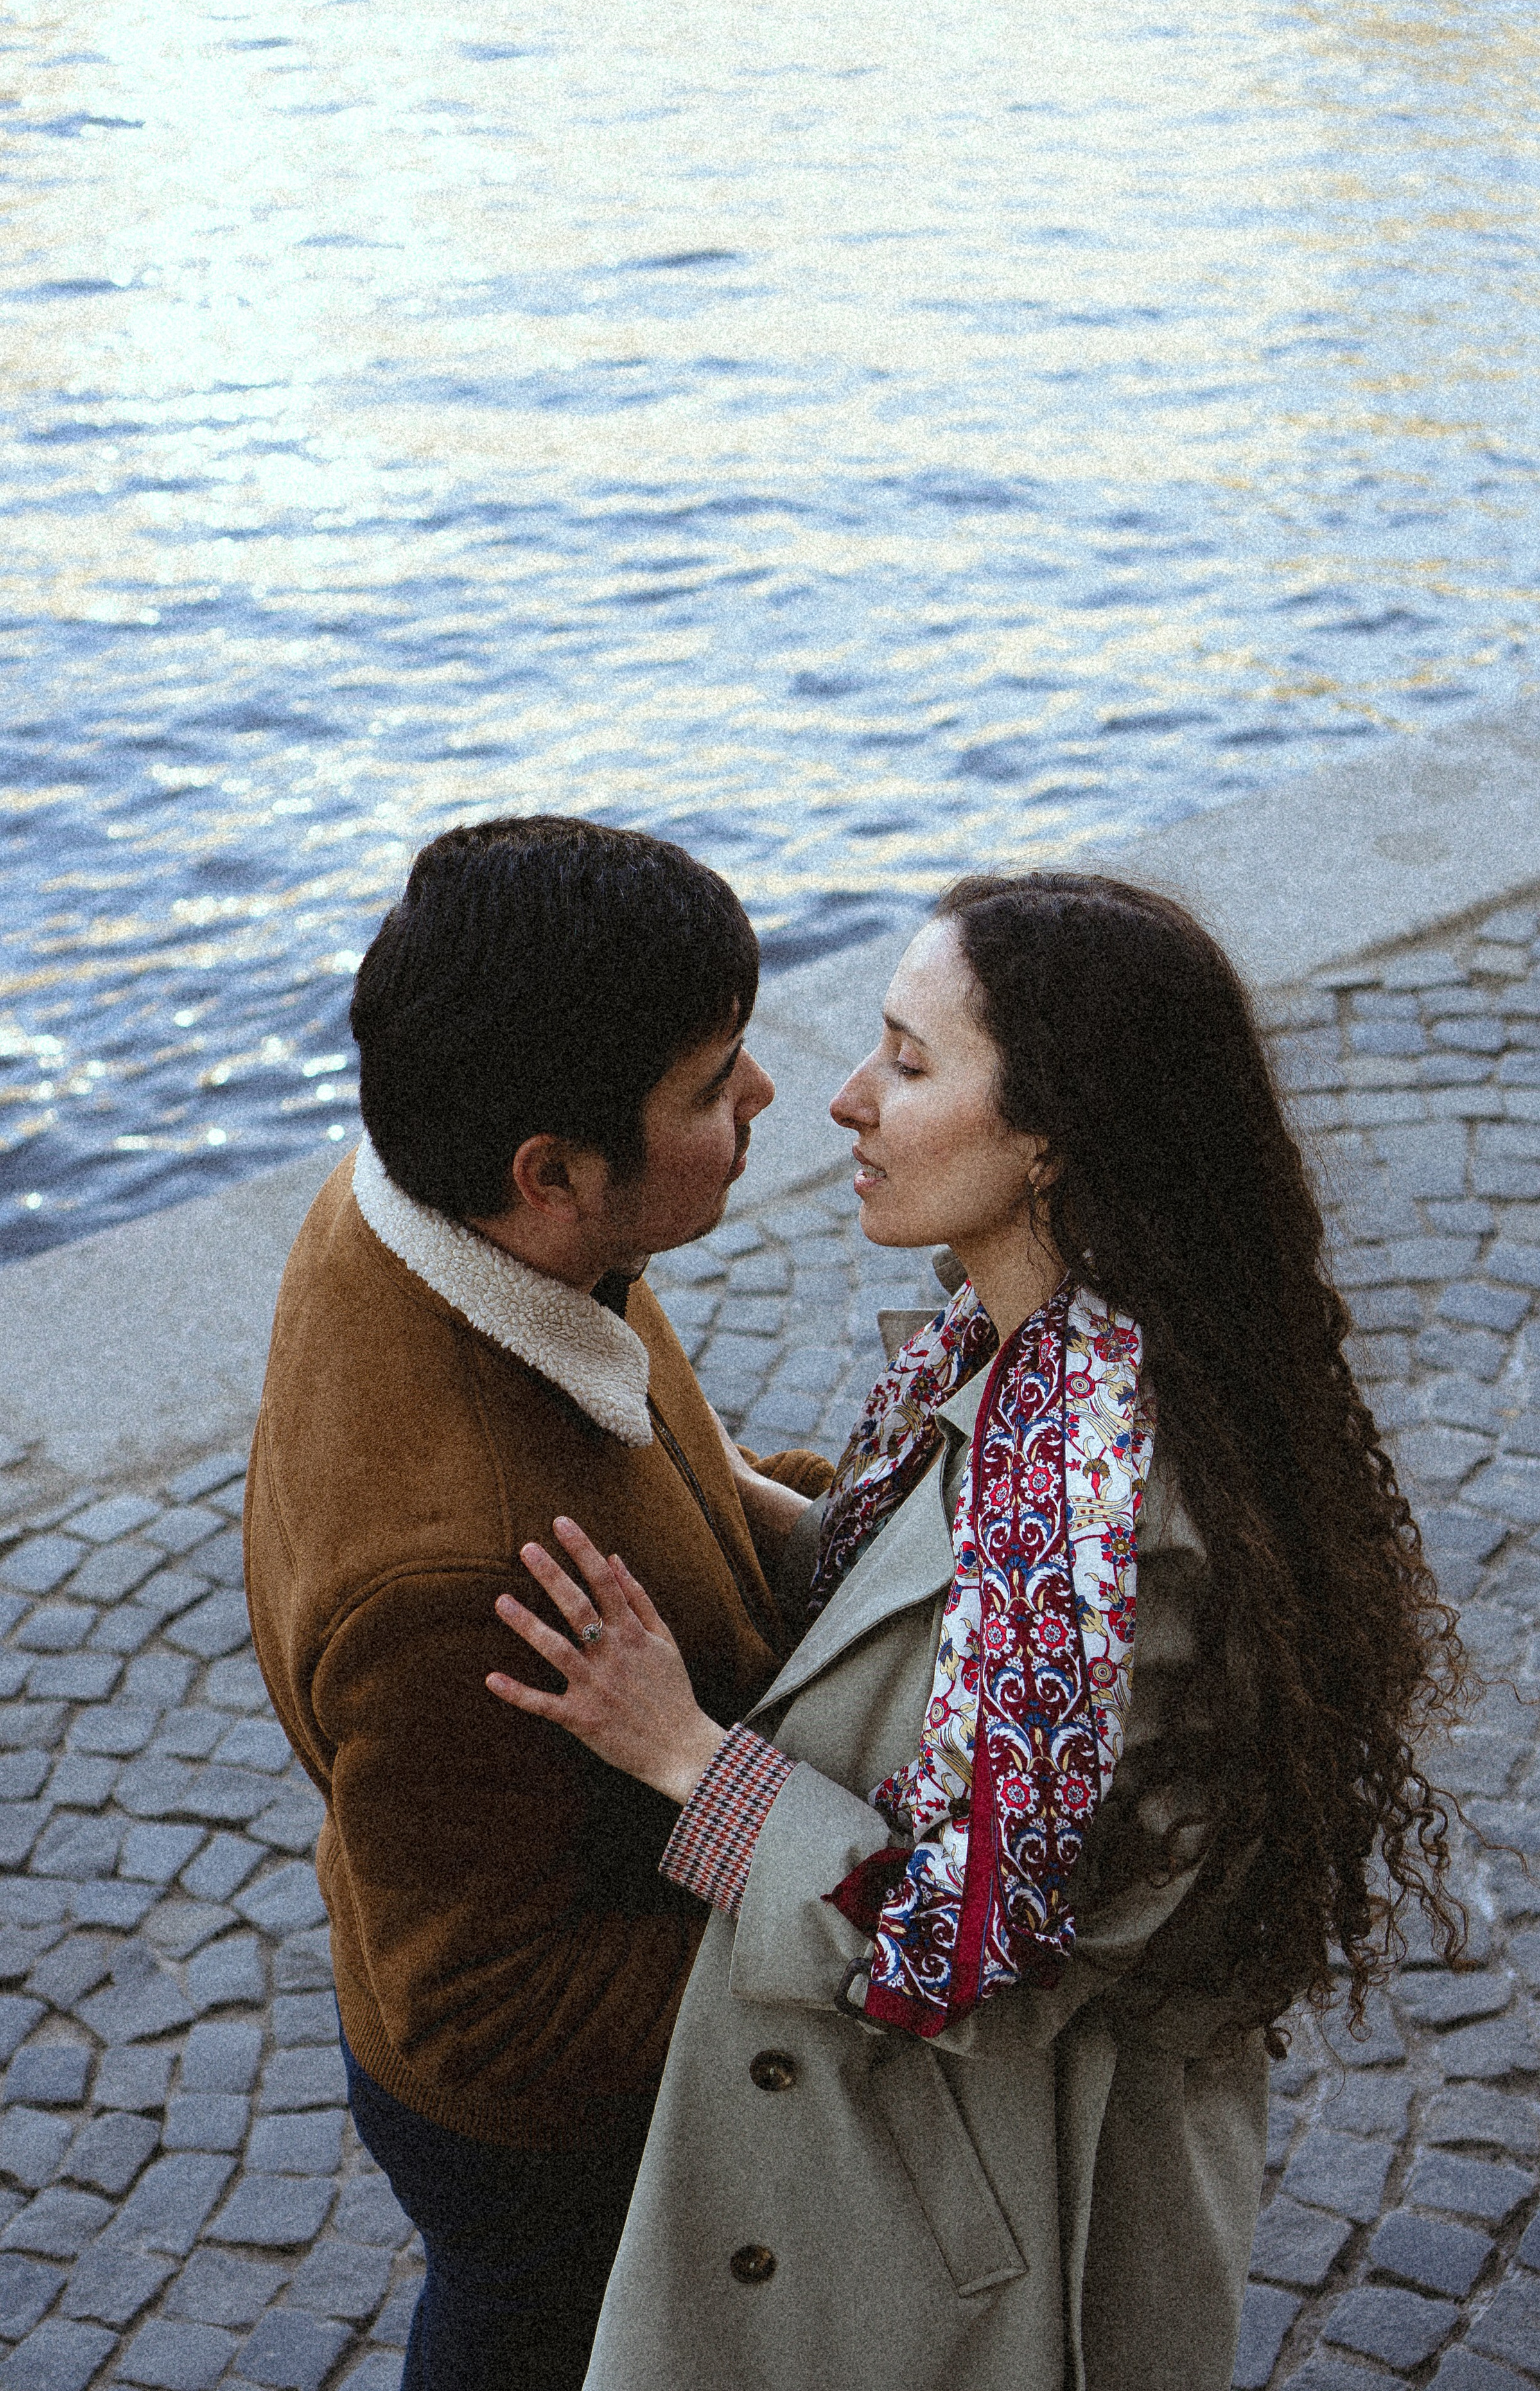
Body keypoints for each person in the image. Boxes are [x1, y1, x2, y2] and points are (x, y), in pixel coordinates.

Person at [488, 869, 1471, 2391]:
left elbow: (972, 1944)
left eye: (908, 1060)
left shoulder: (1106, 1501)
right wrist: (677, 1463)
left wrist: (683, 1755)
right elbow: (925, 1636)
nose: (841, 1100)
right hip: (918, 2177)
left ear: (1048, 1135)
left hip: (991, 2232)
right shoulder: (1027, 1358)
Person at [243, 816, 828, 2391]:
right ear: (551, 1176)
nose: (764, 1094)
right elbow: (486, 2013)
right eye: (712, 1087)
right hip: (551, 2165)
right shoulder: (455, 1573)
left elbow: (659, 1477)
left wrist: (852, 1526)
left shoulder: (423, 1215)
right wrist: (827, 1926)